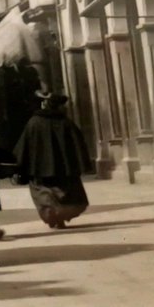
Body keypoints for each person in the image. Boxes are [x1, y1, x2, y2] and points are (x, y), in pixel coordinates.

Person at [13, 91, 92, 229]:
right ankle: (60, 218)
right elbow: (78, 143)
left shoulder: (34, 122)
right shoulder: (65, 122)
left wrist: (18, 164)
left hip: (39, 169)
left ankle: (53, 217)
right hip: (64, 169)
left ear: (44, 105)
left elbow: (24, 145)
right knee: (65, 193)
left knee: (44, 194)